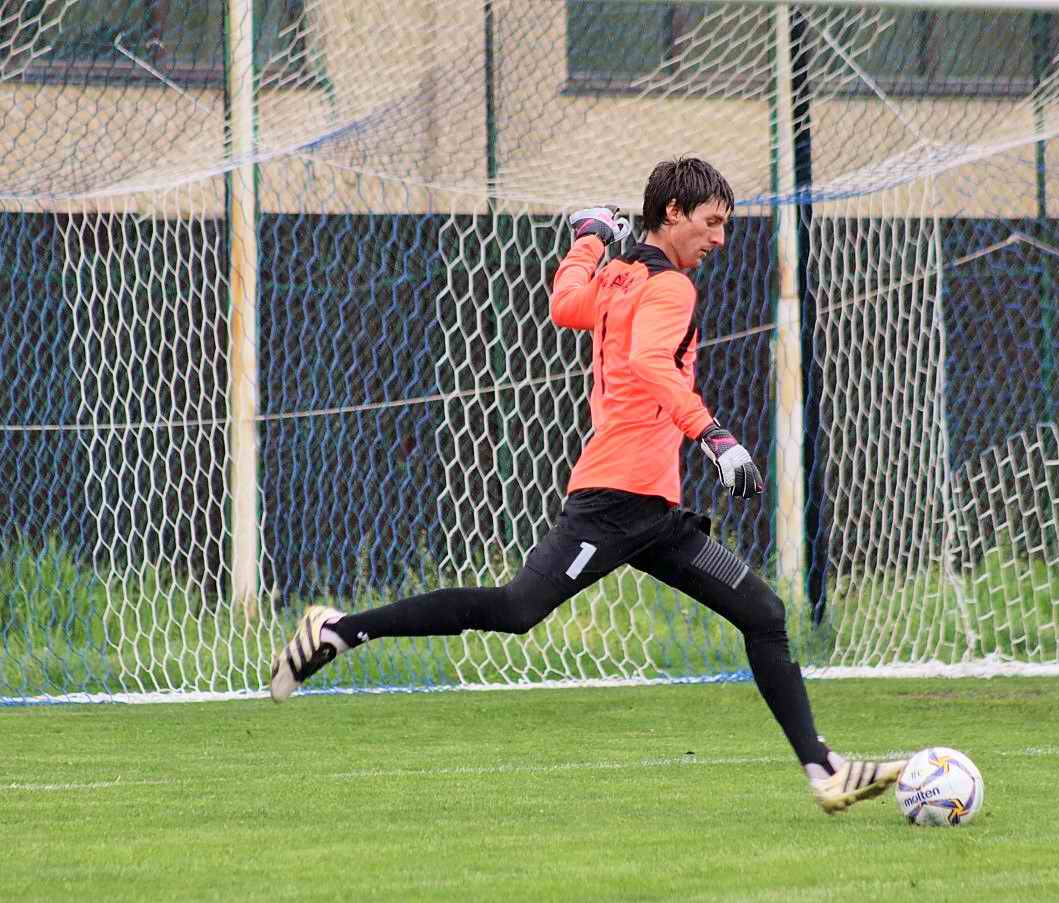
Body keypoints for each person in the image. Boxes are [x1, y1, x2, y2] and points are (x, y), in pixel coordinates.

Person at [269, 157, 905, 814]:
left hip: (652, 514)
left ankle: (824, 770)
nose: (720, 238)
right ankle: (340, 628)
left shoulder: (620, 276)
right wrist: (715, 436)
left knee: (763, 614)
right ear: (673, 213)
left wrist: (590, 238)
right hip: (616, 503)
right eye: (711, 222)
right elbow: (650, 361)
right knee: (516, 610)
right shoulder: (670, 288)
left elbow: (566, 304)